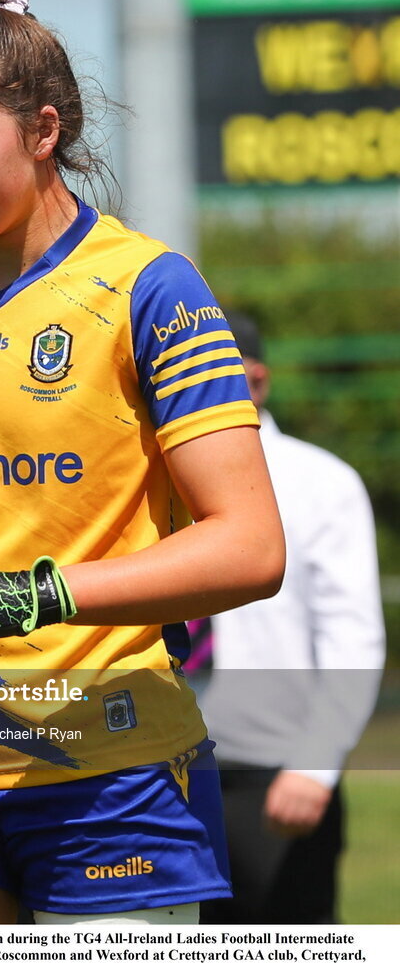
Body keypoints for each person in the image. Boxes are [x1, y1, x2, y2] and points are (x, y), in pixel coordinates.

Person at [0, 0, 285, 926]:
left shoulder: (150, 288)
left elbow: (250, 547)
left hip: (109, 767)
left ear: (43, 131)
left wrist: (36, 595)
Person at [196, 312, 385, 925]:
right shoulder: (144, 478)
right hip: (154, 771)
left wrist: (314, 764)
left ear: (258, 381)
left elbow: (352, 637)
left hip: (271, 775)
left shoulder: (321, 483)